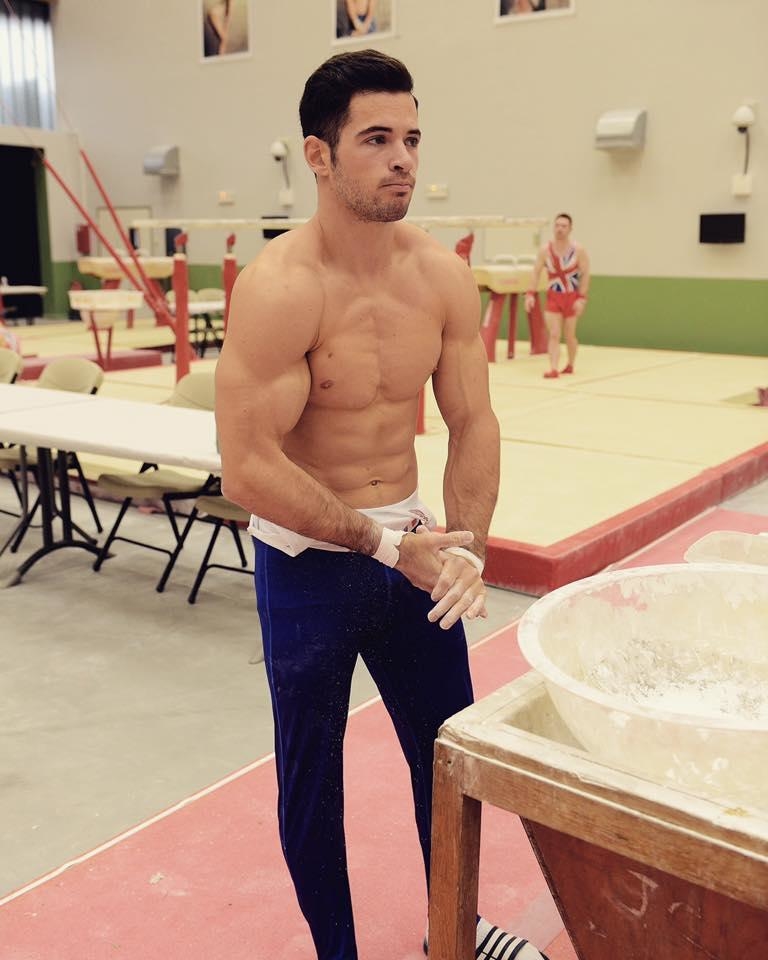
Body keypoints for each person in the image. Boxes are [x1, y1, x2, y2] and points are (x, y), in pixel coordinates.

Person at [215, 50, 549, 960]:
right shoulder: (280, 289)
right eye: (375, 139)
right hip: (308, 565)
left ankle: (455, 933)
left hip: (415, 553)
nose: (402, 158)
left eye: (411, 138)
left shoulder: (439, 276)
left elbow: (473, 420)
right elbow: (246, 467)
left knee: (450, 759)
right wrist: (380, 542)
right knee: (312, 780)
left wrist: (468, 545)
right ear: (319, 156)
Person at [525, 213, 590, 378]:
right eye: (557, 225)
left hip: (572, 297)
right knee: (554, 333)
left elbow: (585, 274)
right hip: (554, 297)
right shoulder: (545, 250)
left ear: (570, 229)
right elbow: (536, 273)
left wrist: (582, 299)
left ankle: (570, 364)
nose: (560, 229)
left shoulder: (578, 250)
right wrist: (530, 294)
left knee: (570, 335)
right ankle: (553, 368)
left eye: (564, 226)